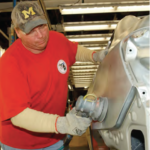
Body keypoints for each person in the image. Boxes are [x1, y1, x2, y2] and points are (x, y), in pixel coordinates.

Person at [0, 1, 107, 150]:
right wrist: (63, 124)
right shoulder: (9, 64)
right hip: (20, 144)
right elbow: (19, 116)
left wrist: (95, 56)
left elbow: (74, 50)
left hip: (54, 139)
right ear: (18, 32)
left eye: (42, 26)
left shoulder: (55, 39)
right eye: (32, 31)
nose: (41, 35)